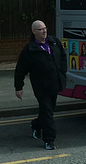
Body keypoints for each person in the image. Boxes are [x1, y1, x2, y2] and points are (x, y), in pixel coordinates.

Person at [14, 20, 67, 150]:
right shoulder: (30, 49)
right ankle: (49, 140)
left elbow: (63, 58)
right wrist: (19, 87)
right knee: (48, 113)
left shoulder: (54, 42)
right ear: (34, 32)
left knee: (48, 110)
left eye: (45, 28)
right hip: (41, 86)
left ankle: (36, 125)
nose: (44, 31)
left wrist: (62, 72)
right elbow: (20, 69)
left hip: (54, 84)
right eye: (40, 29)